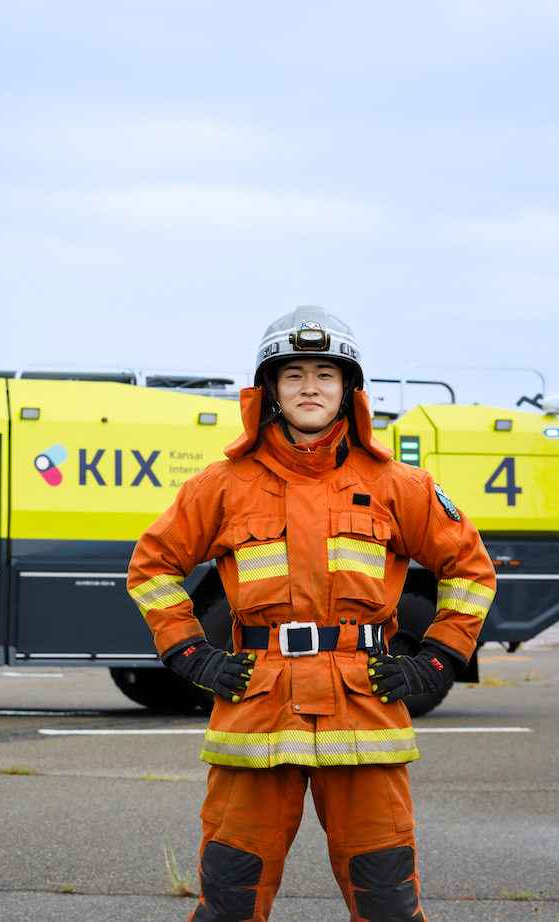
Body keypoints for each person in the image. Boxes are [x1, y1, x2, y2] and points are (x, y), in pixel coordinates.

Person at [127, 307, 496, 922]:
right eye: (292, 373)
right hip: (256, 711)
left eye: (325, 373)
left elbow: (471, 569)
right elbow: (152, 567)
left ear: (349, 389)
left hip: (364, 709)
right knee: (229, 901)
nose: (309, 387)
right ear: (268, 389)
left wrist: (437, 658)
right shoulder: (220, 485)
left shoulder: (397, 484)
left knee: (388, 904)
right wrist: (190, 653)